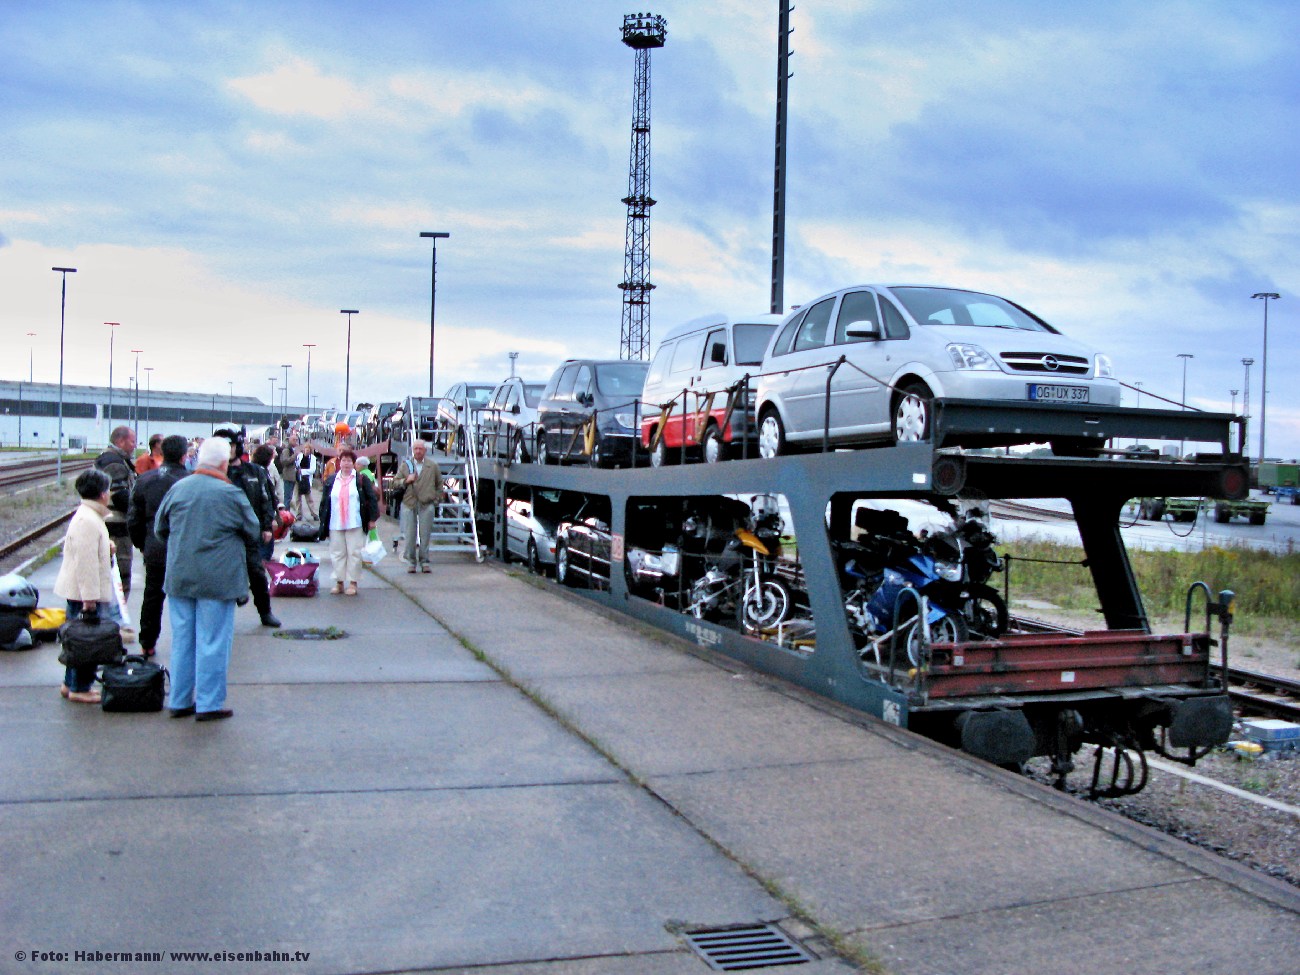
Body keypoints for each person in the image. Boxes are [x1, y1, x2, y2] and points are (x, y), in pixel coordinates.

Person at [154, 436, 260, 721]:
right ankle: (208, 703)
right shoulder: (230, 493)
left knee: (182, 640)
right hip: (218, 578)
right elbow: (253, 529)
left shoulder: (178, 489)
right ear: (224, 463)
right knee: (212, 641)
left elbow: (159, 530)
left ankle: (179, 700)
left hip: (179, 575)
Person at [54, 468, 126, 704]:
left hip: (81, 591)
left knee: (76, 642)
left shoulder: (88, 515)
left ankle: (70, 684)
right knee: (87, 643)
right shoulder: (88, 520)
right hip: (84, 593)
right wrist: (90, 601)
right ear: (103, 494)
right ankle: (80, 687)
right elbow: (85, 564)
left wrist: (107, 548)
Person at [127, 434, 190, 658]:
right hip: (184, 550)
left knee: (152, 595)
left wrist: (141, 544)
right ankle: (185, 644)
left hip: (155, 548)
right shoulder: (190, 481)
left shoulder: (145, 480)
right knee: (185, 599)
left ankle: (147, 642)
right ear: (184, 456)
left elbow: (133, 519)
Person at [214, 428, 281, 628]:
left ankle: (265, 612)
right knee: (219, 576)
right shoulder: (213, 473)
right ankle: (220, 616)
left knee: (257, 573)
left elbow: (266, 500)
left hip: (250, 531)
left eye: (231, 446)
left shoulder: (255, 471)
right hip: (222, 535)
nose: (227, 450)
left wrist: (267, 526)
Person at [317, 447, 378, 596]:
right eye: (343, 460)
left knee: (354, 553)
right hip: (335, 522)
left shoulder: (360, 480)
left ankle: (353, 583)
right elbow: (325, 501)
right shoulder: (332, 480)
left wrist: (372, 519)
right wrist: (322, 519)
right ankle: (339, 582)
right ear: (340, 462)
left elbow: (371, 499)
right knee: (337, 553)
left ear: (353, 463)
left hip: (355, 522)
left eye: (349, 461)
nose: (346, 464)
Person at [94, 425, 137, 596]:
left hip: (110, 524)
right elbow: (120, 496)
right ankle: (118, 616)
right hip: (116, 526)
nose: (135, 445)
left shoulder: (110, 458)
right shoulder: (114, 463)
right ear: (120, 441)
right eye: (132, 441)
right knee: (120, 572)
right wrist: (138, 511)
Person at [395, 439, 442, 574]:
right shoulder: (406, 465)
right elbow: (395, 482)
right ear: (412, 450)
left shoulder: (433, 466)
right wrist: (406, 480)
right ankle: (411, 561)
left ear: (425, 450)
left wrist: (436, 500)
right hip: (409, 503)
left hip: (427, 504)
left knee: (425, 534)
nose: (418, 451)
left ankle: (425, 561)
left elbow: (439, 484)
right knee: (410, 534)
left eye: (420, 449)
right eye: (415, 449)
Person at [295, 443, 318, 519]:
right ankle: (299, 514)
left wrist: (302, 471)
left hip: (306, 479)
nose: (307, 450)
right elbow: (296, 465)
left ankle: (314, 514)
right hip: (298, 479)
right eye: (305, 448)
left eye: (308, 449)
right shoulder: (299, 456)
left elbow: (312, 470)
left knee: (309, 498)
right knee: (297, 498)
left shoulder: (312, 458)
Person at [277, 435, 300, 511]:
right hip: (288, 476)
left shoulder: (294, 449)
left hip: (294, 475)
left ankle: (290, 513)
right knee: (287, 497)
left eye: (296, 440)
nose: (295, 441)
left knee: (291, 497)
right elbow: (284, 461)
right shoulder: (287, 450)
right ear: (289, 440)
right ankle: (286, 513)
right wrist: (294, 456)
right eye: (293, 440)